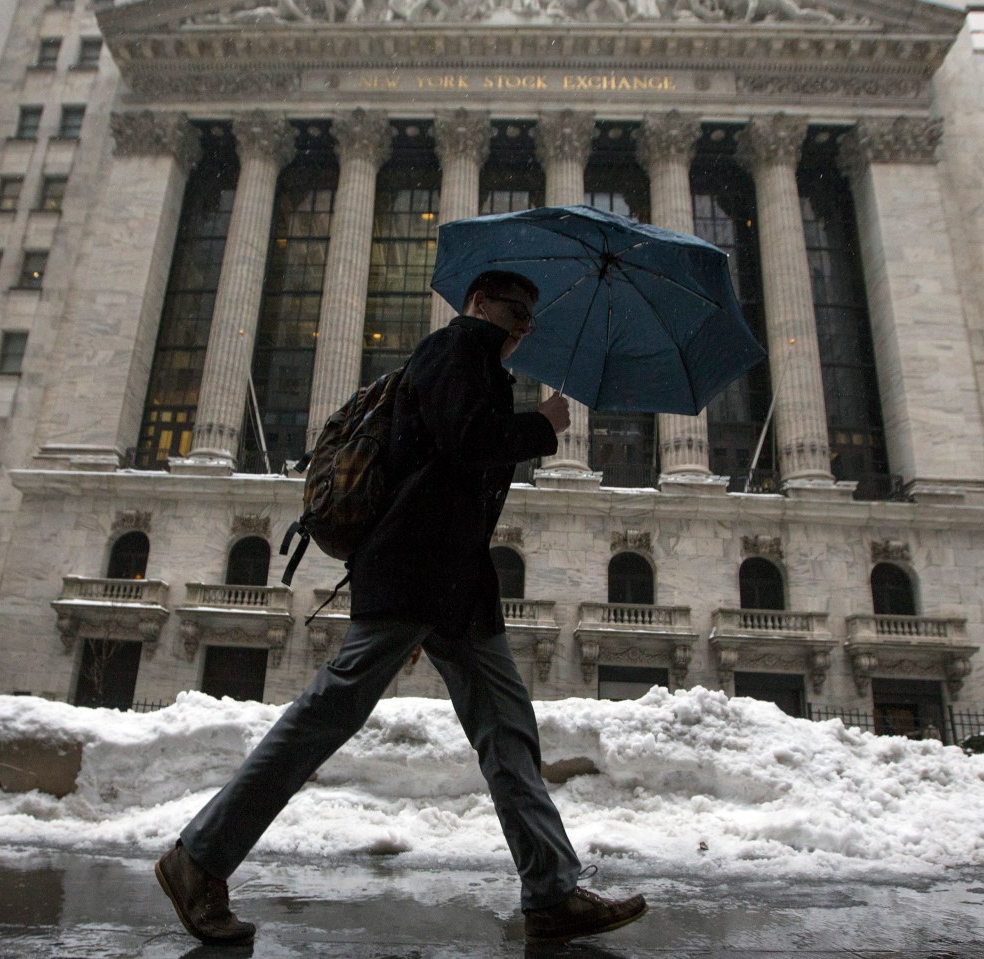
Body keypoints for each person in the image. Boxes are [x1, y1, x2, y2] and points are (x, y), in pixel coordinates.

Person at [154, 270, 648, 946]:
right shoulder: (451, 351)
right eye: (513, 309)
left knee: (508, 730)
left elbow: (457, 471)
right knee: (326, 714)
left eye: (530, 315)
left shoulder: (478, 366)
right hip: (416, 572)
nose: (523, 324)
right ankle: (198, 858)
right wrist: (543, 425)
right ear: (478, 304)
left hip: (454, 585)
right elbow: (466, 440)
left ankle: (552, 890)